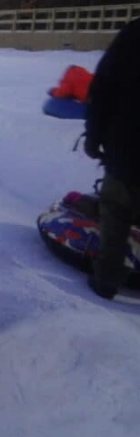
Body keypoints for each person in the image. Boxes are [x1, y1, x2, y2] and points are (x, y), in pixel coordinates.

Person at [84, 17, 140, 299]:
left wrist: (94, 137)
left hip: (128, 145)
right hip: (127, 143)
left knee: (116, 210)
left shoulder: (132, 35)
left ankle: (106, 279)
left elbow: (103, 89)